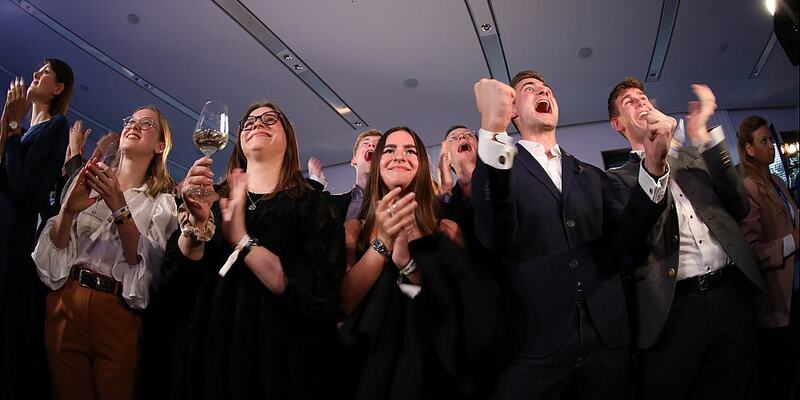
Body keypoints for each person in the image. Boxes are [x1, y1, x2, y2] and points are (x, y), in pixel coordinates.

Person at [471, 71, 670, 399]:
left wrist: (653, 168)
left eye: (547, 89)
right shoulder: (502, 168)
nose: (543, 91)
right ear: (513, 110)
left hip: (608, 339)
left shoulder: (591, 174)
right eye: (530, 89)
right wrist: (492, 131)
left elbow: (626, 241)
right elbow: (494, 233)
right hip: (537, 344)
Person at [154, 102, 345, 399]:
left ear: (289, 138)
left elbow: (317, 293)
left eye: (270, 119)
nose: (258, 124)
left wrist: (242, 239)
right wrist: (195, 228)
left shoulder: (315, 206)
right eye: (249, 121)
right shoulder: (212, 202)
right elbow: (172, 286)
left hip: (280, 367)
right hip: (209, 362)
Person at [606, 78, 764, 399]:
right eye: (630, 102)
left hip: (731, 296)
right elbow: (631, 241)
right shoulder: (614, 181)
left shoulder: (693, 159)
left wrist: (701, 135)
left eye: (644, 97)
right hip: (676, 312)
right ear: (617, 124)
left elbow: (739, 204)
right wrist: (656, 162)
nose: (642, 103)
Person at [339, 126, 501, 399]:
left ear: (421, 165)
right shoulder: (354, 231)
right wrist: (382, 244)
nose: (399, 156)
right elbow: (345, 303)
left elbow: (460, 310)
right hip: (373, 371)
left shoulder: (448, 229)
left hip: (436, 371)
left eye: (410, 150)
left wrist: (407, 266)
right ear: (377, 163)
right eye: (389, 150)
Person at [32, 106, 177, 400]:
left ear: (160, 146)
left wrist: (119, 207)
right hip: (66, 300)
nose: (133, 126)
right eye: (130, 120)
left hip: (116, 313)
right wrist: (67, 210)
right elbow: (53, 252)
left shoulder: (161, 202)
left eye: (146, 124)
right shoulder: (86, 181)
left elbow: (145, 270)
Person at [0, 58, 74, 400]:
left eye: (45, 72)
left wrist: (13, 127)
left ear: (58, 88)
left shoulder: (56, 127)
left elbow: (23, 190)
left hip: (14, 245)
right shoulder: (26, 130)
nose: (35, 74)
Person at [736, 115, 799, 400]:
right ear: (749, 149)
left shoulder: (775, 181)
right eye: (764, 141)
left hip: (794, 286)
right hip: (776, 302)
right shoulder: (749, 187)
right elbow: (749, 253)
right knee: (779, 377)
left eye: (771, 139)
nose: (771, 145)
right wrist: (791, 241)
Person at [331, 129, 382, 221]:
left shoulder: (400, 203)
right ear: (353, 159)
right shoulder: (333, 204)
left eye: (378, 145)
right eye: (366, 143)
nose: (371, 145)